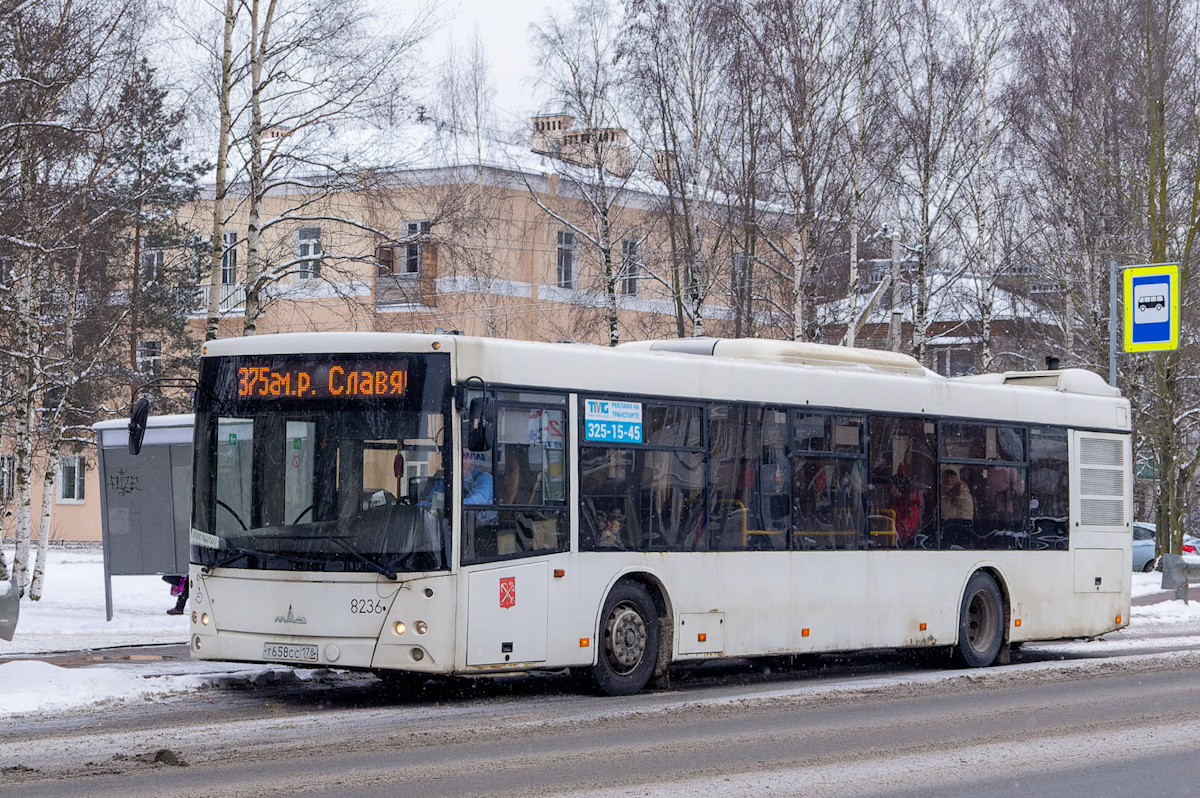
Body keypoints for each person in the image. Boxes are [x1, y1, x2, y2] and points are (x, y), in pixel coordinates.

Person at [889, 473, 923, 545]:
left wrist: (889, 530)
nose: (891, 492)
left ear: (900, 489)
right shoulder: (895, 504)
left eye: (893, 488)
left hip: (906, 546)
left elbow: (907, 530)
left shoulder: (911, 507)